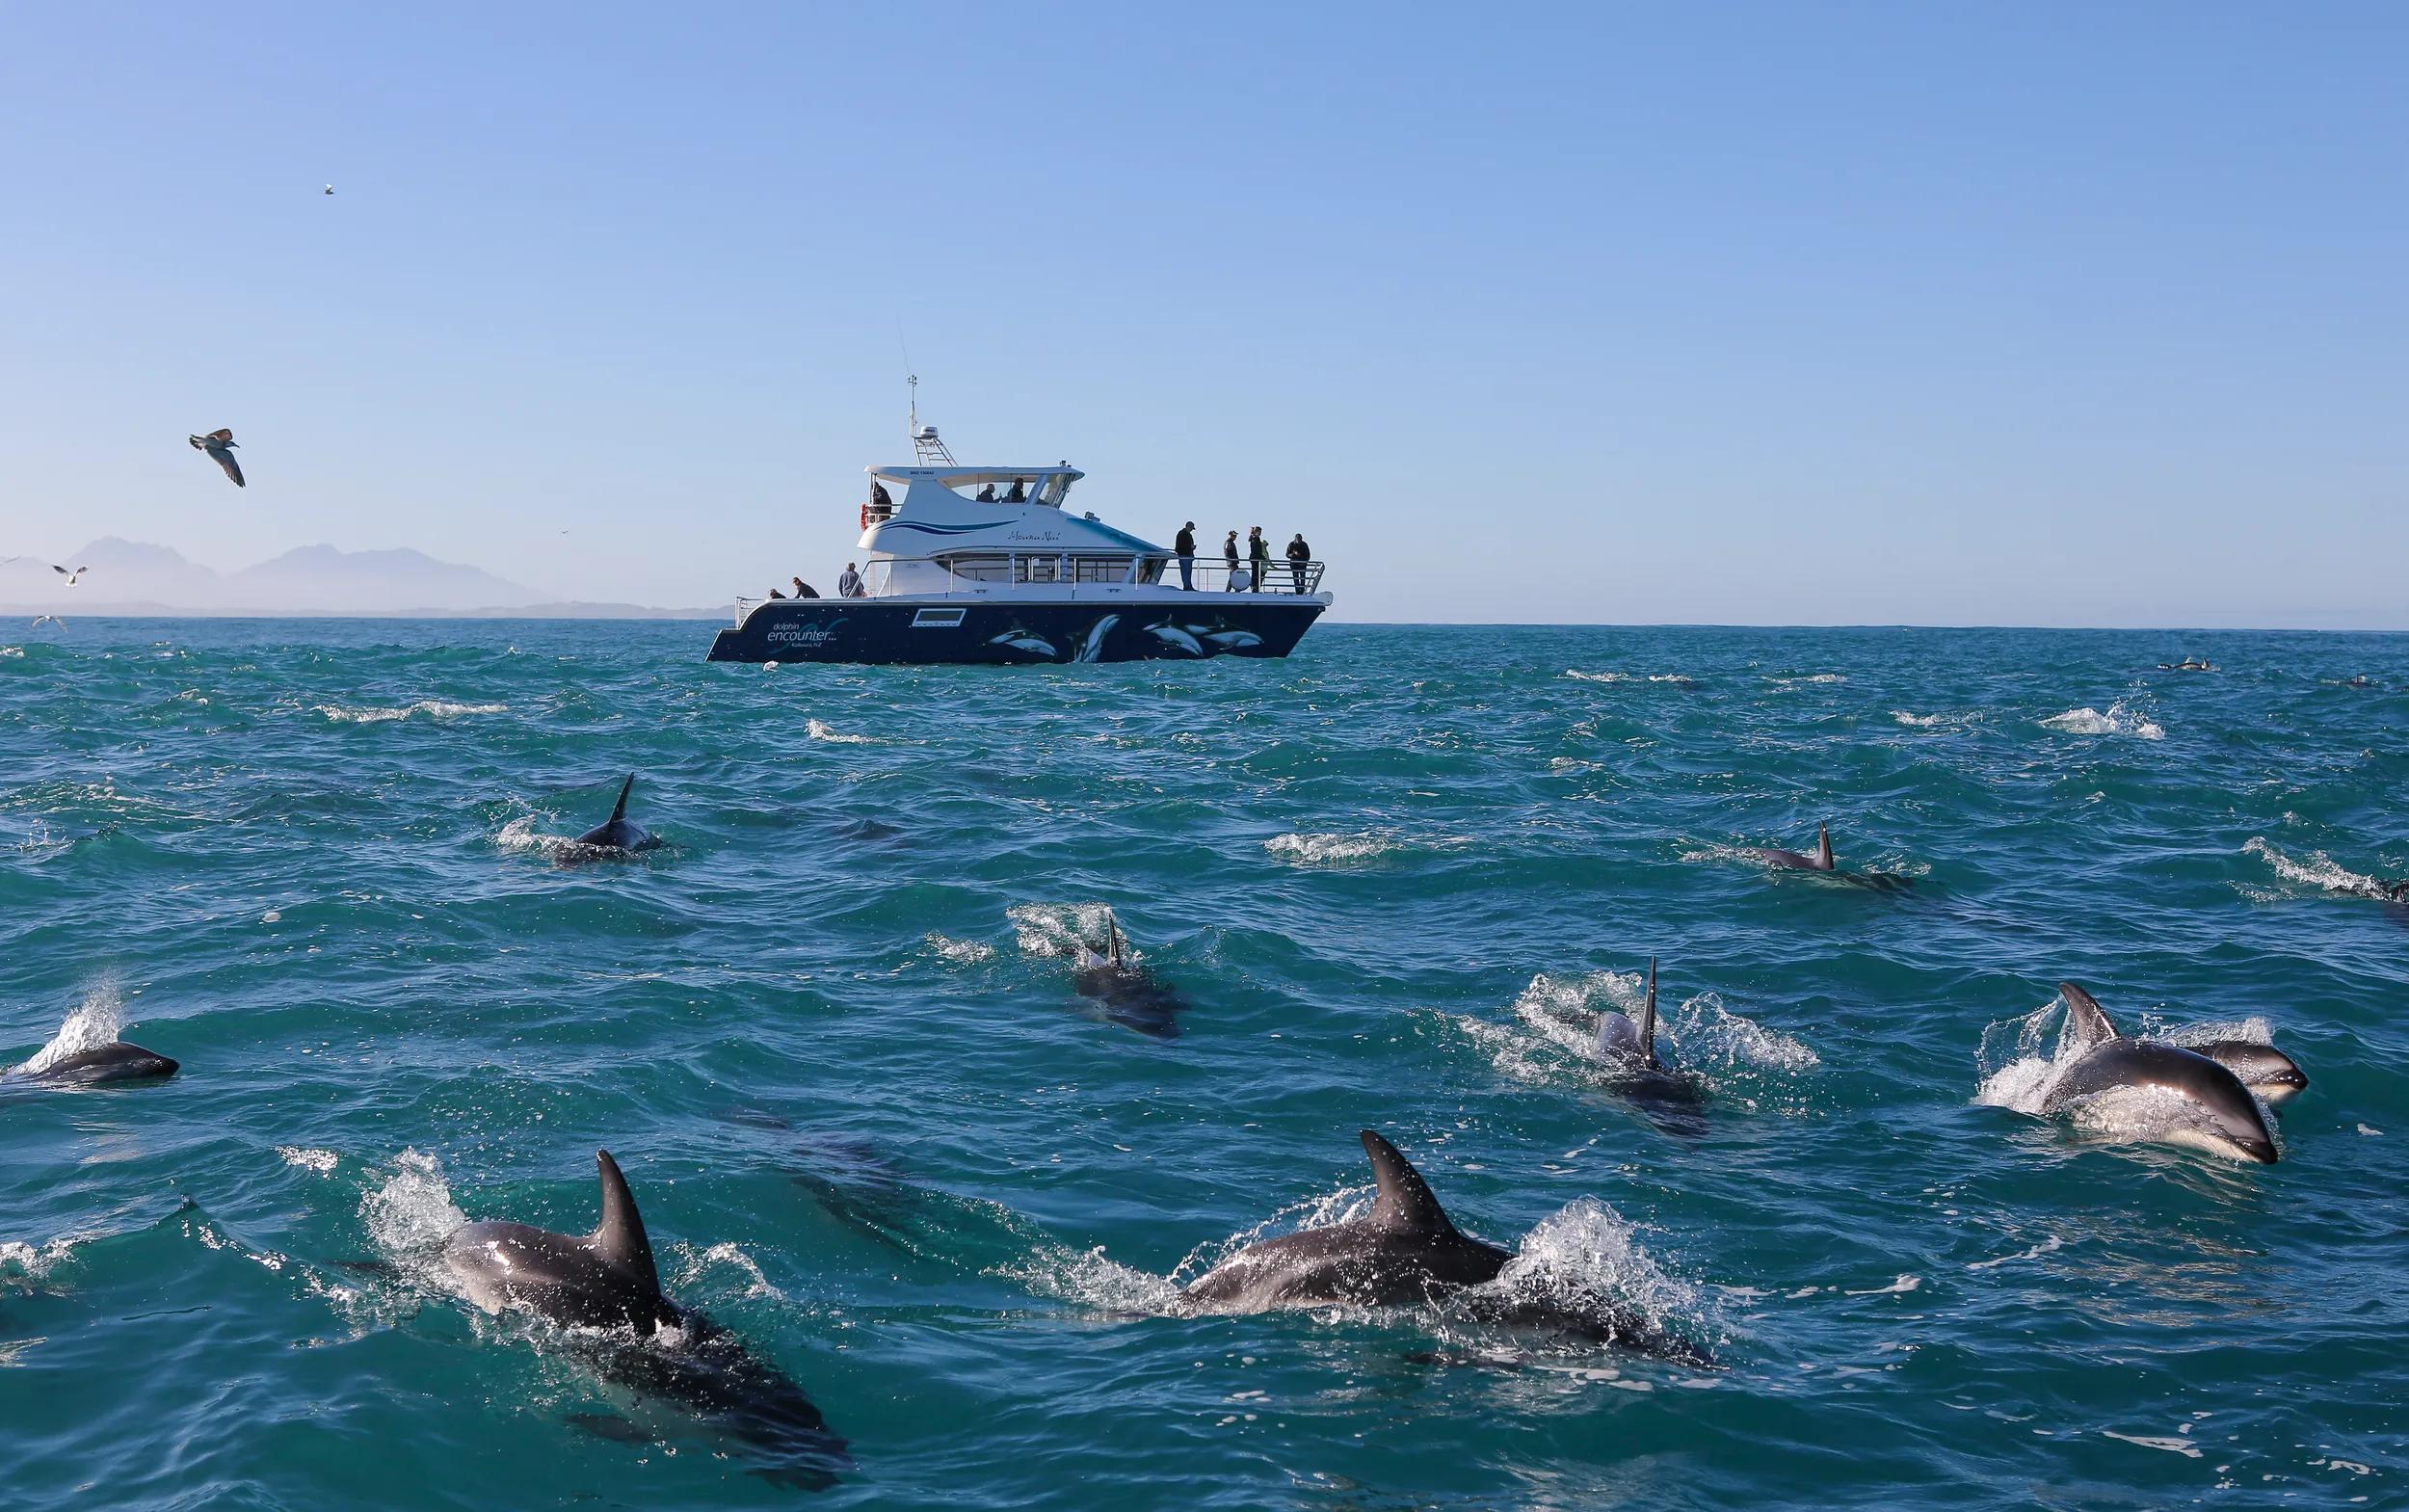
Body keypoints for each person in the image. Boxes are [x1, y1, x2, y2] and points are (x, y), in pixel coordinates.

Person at [1246, 526, 1271, 594]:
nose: (1260, 533)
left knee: (1255, 574)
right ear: (1257, 532)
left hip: (1254, 558)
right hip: (1255, 558)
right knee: (1256, 574)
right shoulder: (1255, 539)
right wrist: (1262, 557)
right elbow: (1256, 550)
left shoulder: (1254, 538)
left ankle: (1255, 588)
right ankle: (1255, 588)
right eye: (1259, 532)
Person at [1174, 521, 1197, 590]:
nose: (1191, 530)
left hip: (1187, 555)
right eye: (1191, 528)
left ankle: (1188, 586)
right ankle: (1187, 586)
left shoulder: (1188, 535)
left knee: (1188, 571)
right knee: (1185, 571)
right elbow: (1180, 546)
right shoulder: (1182, 534)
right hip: (1184, 555)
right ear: (1188, 527)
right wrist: (1190, 547)